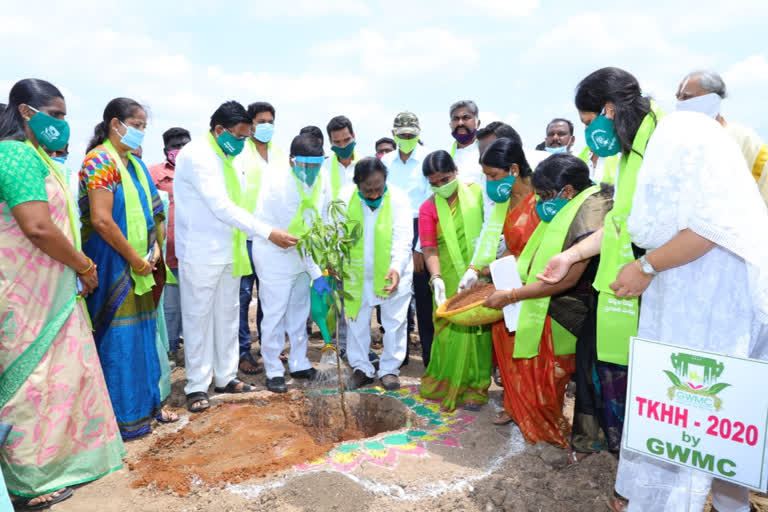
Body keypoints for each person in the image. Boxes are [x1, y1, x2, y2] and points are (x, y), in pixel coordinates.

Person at [535, 66, 768, 511]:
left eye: (588, 124)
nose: (591, 135)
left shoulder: (678, 136)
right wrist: (571, 256)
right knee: (680, 414)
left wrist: (646, 265)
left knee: (706, 411)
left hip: (713, 295)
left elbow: (711, 228)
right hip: (675, 289)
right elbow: (622, 224)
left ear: (607, 109)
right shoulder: (635, 151)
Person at [0, 78, 123, 510]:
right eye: (54, 115)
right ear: (25, 112)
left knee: (54, 380)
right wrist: (84, 264)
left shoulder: (34, 156)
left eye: (65, 116)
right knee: (29, 384)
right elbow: (36, 227)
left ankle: (47, 469)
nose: (62, 125)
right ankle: (28, 482)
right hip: (23, 294)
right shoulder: (13, 154)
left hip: (46, 288)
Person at [483, 153, 613, 448]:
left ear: (567, 191)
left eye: (545, 196)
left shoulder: (589, 213)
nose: (540, 203)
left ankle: (583, 443)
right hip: (567, 304)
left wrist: (512, 296)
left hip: (591, 308)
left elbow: (565, 279)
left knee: (579, 377)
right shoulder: (575, 206)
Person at [80, 97, 178, 437]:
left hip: (143, 265)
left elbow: (154, 213)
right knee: (118, 341)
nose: (139, 133)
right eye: (135, 126)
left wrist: (152, 252)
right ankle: (123, 419)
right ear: (114, 124)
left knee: (143, 337)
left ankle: (148, 406)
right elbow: (102, 221)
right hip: (113, 266)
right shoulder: (99, 162)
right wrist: (135, 259)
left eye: (143, 128)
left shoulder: (134, 164)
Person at [174, 101, 280, 411]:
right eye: (238, 136)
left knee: (228, 315)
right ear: (219, 130)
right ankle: (197, 385)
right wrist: (268, 232)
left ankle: (225, 376)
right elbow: (221, 206)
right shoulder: (197, 156)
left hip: (229, 249)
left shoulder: (227, 157)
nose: (242, 143)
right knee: (198, 319)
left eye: (246, 137)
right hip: (201, 252)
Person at [252, 133, 330, 393]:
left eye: (316, 165)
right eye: (306, 166)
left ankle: (299, 362)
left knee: (299, 311)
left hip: (302, 258)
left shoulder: (322, 179)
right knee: (274, 314)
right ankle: (273, 368)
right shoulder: (278, 186)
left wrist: (322, 264)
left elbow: (323, 221)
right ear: (291, 162)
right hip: (276, 255)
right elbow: (297, 237)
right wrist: (316, 272)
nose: (311, 171)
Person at [418, 150, 490, 410]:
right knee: (448, 333)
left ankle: (475, 386)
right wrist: (436, 277)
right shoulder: (428, 208)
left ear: (456, 171)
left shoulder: (478, 194)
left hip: (479, 273)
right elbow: (429, 248)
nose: (440, 186)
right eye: (434, 183)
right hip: (448, 275)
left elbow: (491, 231)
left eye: (445, 179)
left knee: (479, 331)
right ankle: (446, 383)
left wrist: (482, 268)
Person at [342, 157, 413, 390]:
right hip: (356, 274)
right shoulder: (344, 199)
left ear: (385, 180)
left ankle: (389, 370)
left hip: (393, 272)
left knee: (394, 322)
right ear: (357, 185)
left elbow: (403, 239)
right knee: (356, 321)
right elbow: (338, 238)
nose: (373, 194)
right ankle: (362, 367)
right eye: (367, 190)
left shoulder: (399, 199)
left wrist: (396, 268)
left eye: (378, 188)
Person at [234, 102, 283, 375]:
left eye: (270, 121)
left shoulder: (279, 154)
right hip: (245, 236)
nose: (266, 126)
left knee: (271, 297)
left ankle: (270, 347)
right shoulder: (240, 154)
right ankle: (243, 352)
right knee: (242, 298)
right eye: (260, 121)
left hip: (273, 238)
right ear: (250, 125)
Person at [381, 112, 433, 367]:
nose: (407, 139)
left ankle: (429, 354)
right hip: (392, 228)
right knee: (394, 297)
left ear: (419, 134)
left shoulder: (426, 160)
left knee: (423, 298)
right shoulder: (385, 162)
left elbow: (430, 205)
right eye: (402, 136)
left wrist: (420, 246)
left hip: (421, 227)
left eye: (411, 135)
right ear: (394, 135)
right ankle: (396, 356)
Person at [676, 69, 768, 204]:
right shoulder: (679, 142)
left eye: (686, 97)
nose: (680, 102)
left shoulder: (742, 138)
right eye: (677, 97)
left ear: (711, 98)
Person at [149, 127, 190, 366]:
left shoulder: (199, 172)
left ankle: (193, 349)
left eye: (185, 144)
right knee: (171, 306)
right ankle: (171, 349)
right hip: (168, 253)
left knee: (195, 306)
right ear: (166, 150)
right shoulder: (155, 173)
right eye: (176, 146)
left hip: (194, 251)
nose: (181, 149)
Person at [448, 100, 483, 184]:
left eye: (466, 118)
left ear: (477, 123)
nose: (460, 123)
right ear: (450, 125)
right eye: (455, 119)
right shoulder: (445, 154)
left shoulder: (487, 151)